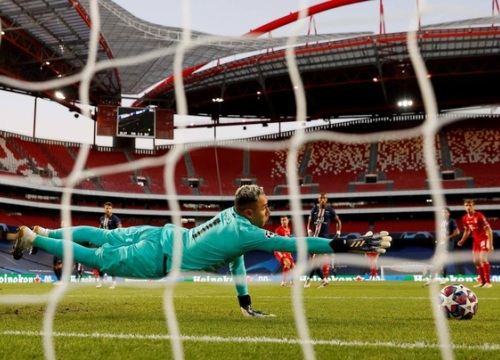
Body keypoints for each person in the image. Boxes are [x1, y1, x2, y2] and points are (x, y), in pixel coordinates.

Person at [12, 185, 391, 317]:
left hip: (163, 232)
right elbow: (297, 243)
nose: (269, 211)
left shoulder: (230, 215)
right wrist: (340, 243)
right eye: (264, 207)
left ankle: (48, 229)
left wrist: (243, 299)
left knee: (99, 234)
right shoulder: (250, 231)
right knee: (95, 256)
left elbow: (236, 257)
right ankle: (35, 239)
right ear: (248, 211)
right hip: (157, 257)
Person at [304, 193, 342, 289]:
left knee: (315, 261)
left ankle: (316, 280)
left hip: (323, 240)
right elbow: (309, 222)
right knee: (313, 262)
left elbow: (338, 221)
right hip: (313, 239)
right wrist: (309, 231)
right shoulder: (314, 210)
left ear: (326, 200)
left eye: (324, 198)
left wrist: (338, 232)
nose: (322, 200)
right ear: (318, 200)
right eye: (321, 198)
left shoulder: (330, 210)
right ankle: (316, 280)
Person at [457, 199, 494, 288]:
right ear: (464, 207)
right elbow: (467, 230)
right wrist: (462, 240)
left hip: (484, 239)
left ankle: (488, 283)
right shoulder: (465, 218)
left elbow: (489, 230)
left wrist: (491, 244)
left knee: (483, 258)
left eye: (470, 205)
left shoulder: (479, 216)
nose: (468, 207)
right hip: (476, 240)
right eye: (466, 205)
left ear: (473, 206)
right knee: (476, 261)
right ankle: (483, 282)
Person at [425, 207, 460, 286]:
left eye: (445, 212)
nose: (443, 214)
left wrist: (448, 237)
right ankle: (432, 279)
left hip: (448, 243)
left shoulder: (451, 221)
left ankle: (443, 278)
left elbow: (457, 232)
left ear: (448, 213)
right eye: (442, 212)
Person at [96, 201, 122, 289]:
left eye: (110, 208)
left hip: (111, 244)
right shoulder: (102, 218)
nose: (108, 210)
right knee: (100, 261)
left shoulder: (115, 219)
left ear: (112, 209)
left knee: (111, 262)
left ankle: (114, 281)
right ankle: (101, 281)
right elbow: (99, 229)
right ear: (104, 208)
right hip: (102, 243)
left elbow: (120, 230)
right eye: (106, 208)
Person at [273, 215, 296, 286]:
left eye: (285, 220)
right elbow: (276, 240)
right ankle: (283, 282)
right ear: (281, 221)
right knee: (287, 263)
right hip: (279, 249)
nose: (284, 221)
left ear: (288, 221)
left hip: (286, 250)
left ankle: (293, 282)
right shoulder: (278, 230)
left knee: (294, 267)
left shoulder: (288, 228)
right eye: (282, 220)